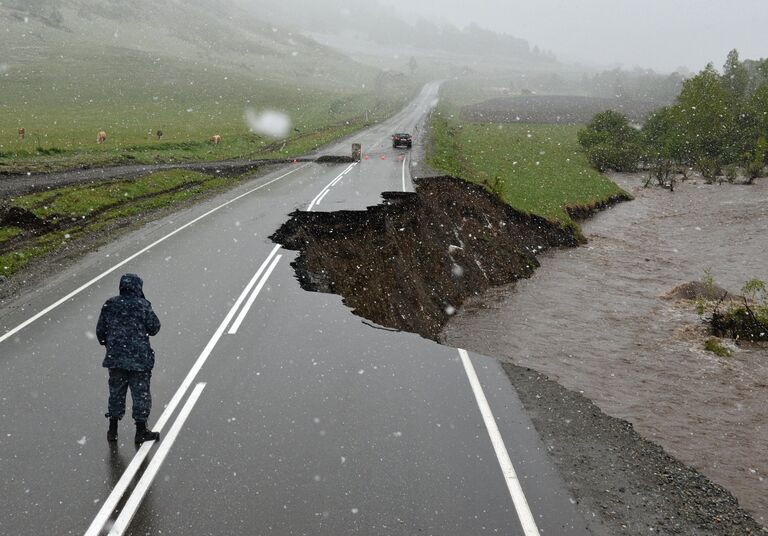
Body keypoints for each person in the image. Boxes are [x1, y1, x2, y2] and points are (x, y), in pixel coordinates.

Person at [97, 273, 161, 444]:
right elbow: (154, 328)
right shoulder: (142, 305)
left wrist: (111, 345)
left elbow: (100, 332)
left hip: (115, 359)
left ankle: (112, 430)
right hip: (139, 360)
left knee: (116, 393)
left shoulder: (109, 304)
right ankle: (141, 430)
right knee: (141, 394)